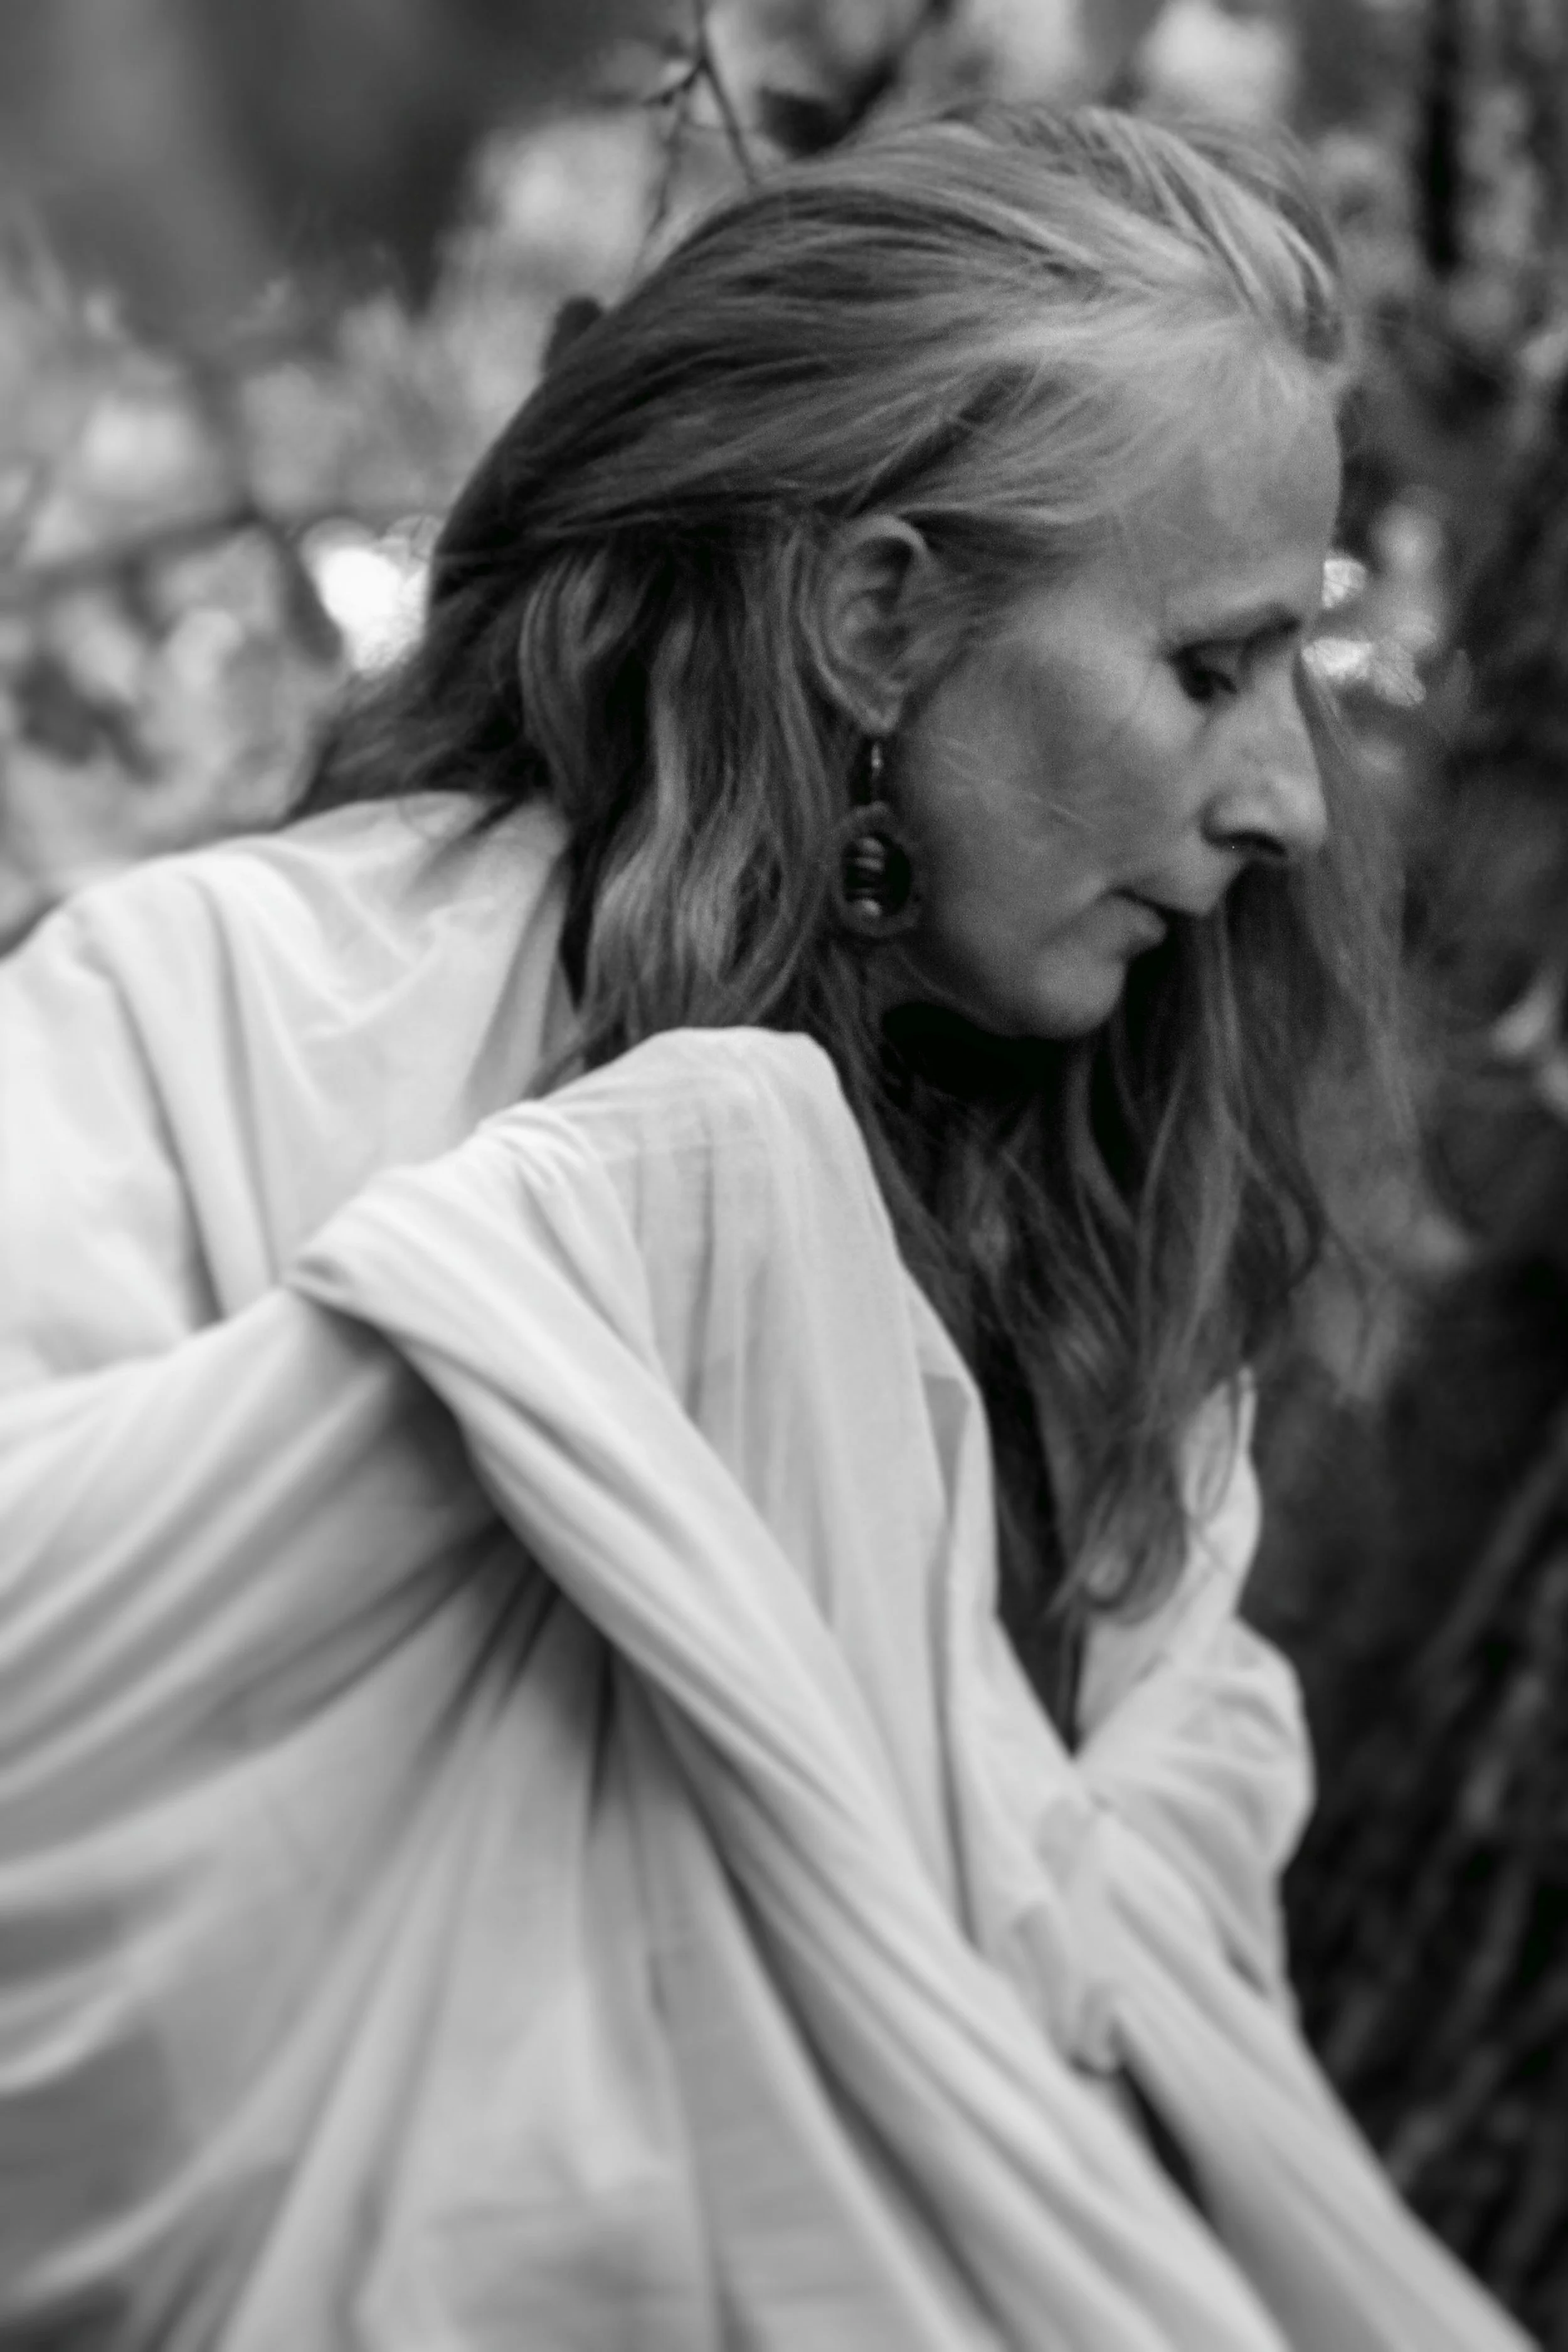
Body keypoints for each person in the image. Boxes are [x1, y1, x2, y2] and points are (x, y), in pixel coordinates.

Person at [0, 101, 1534, 2352]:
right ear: (877, 618)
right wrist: (657, 1225)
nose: (1285, 797)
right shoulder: (214, 1010)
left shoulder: (1107, 1275)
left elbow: (1104, 2048)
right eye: (1208, 667)